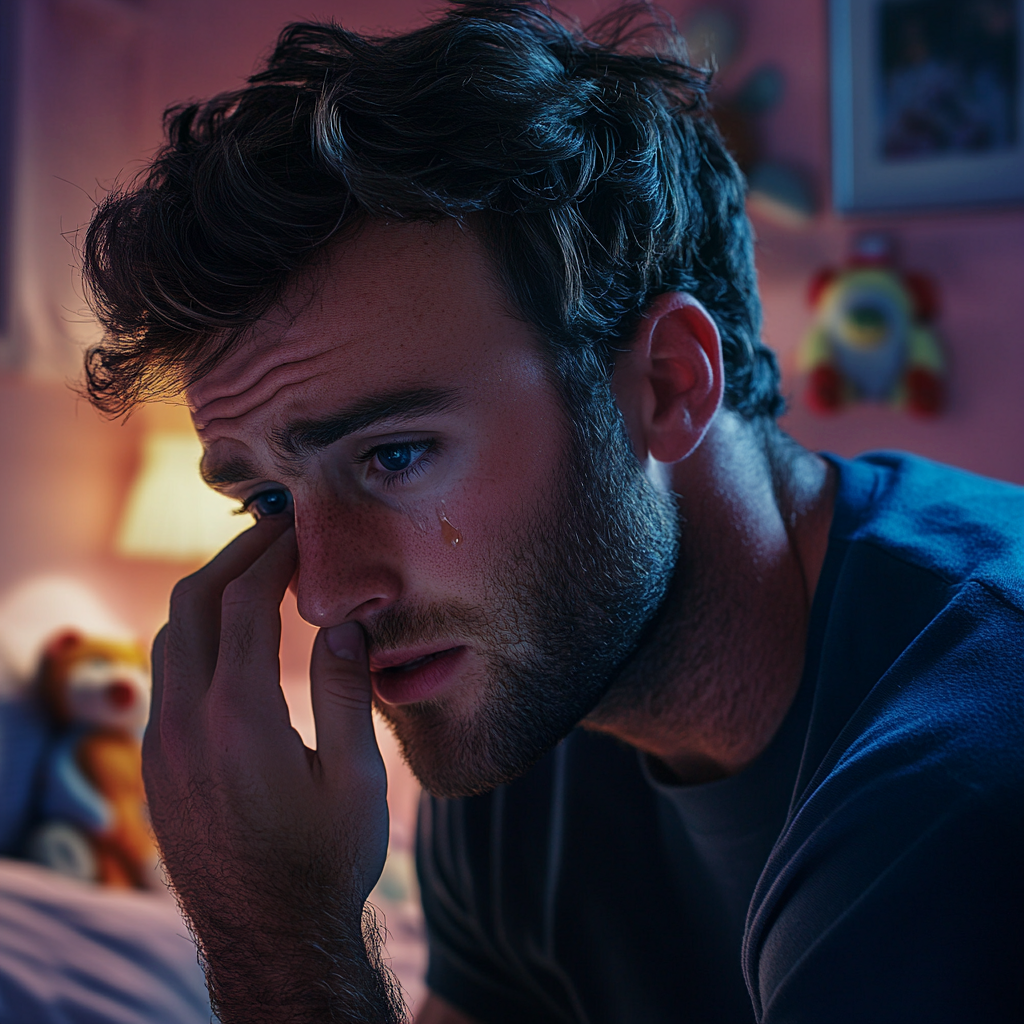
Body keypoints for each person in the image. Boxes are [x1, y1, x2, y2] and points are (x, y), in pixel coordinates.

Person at [78, 4, 1023, 1022]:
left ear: (666, 384)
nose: (327, 594)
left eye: (394, 455)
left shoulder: (961, 780)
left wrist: (280, 945)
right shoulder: (529, 703)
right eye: (267, 499)